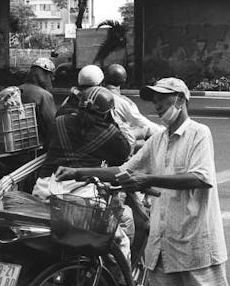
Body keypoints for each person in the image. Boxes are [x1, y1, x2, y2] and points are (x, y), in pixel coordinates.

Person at [55, 76, 230, 286]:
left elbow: (199, 177)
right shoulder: (158, 140)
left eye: (163, 100)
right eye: (155, 101)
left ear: (181, 101)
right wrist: (80, 172)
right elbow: (126, 169)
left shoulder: (200, 134)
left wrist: (146, 181)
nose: (157, 107)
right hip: (163, 232)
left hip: (194, 232)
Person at [33, 85, 133, 257]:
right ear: (107, 113)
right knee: (121, 242)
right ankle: (123, 282)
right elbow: (124, 154)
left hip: (43, 191)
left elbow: (50, 146)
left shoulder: (59, 122)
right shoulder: (111, 133)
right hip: (81, 199)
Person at [104, 63, 162, 147]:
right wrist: (162, 130)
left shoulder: (94, 96)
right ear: (124, 81)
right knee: (145, 133)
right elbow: (141, 123)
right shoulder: (122, 102)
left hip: (98, 139)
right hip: (114, 142)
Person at [19, 57, 57, 149]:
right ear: (45, 75)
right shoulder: (44, 95)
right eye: (50, 77)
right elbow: (52, 126)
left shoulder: (17, 90)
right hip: (37, 146)